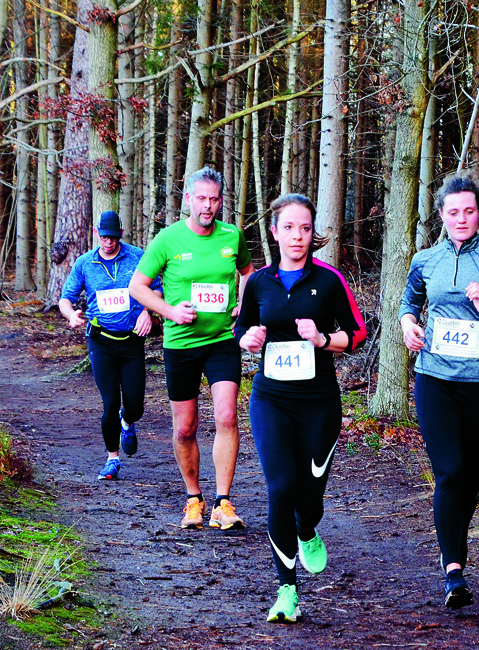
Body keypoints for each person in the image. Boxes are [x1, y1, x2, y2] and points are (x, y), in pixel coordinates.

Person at [399, 173, 479, 609]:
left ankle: (451, 547)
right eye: (453, 211)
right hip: (434, 378)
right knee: (451, 472)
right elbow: (408, 302)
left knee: (468, 479)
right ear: (441, 214)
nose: (461, 218)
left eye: (469, 211)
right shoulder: (425, 260)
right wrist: (407, 327)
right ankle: (453, 569)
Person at [236, 194, 366, 623]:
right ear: (274, 232)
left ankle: (308, 528)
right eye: (289, 228)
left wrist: (324, 339)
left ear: (313, 234)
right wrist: (248, 341)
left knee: (309, 497)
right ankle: (286, 591)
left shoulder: (329, 280)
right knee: (280, 488)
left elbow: (359, 333)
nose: (297, 236)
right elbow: (240, 331)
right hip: (270, 398)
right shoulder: (259, 282)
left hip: (319, 404)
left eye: (305, 229)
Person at [129, 167, 255, 530]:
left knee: (227, 416)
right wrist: (168, 311)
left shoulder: (232, 236)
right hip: (180, 344)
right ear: (188, 199)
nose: (208, 206)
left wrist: (243, 306)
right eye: (201, 198)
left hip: (221, 342)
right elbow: (137, 286)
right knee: (185, 427)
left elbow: (248, 273)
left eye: (215, 199)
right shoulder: (167, 240)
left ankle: (224, 503)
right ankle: (193, 499)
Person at [59, 211, 162, 481]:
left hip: (132, 341)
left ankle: (127, 422)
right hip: (100, 340)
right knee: (109, 402)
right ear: (96, 234)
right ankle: (112, 460)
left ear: (121, 234)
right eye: (104, 237)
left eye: (113, 238)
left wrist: (147, 312)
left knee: (135, 405)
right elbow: (65, 299)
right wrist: (71, 315)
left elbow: (158, 289)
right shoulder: (84, 263)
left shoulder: (138, 256)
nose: (108, 242)